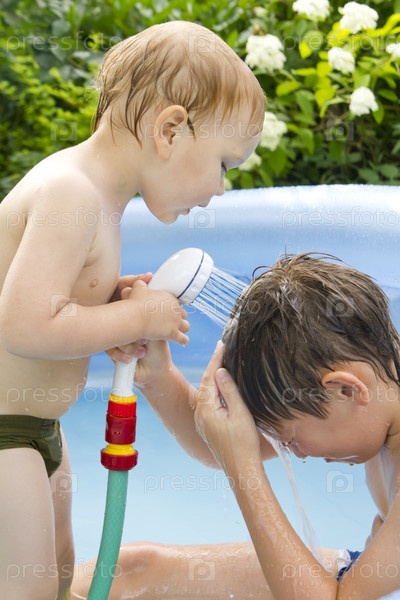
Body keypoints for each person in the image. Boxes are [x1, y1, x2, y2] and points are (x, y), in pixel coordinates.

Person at [0, 20, 264, 600]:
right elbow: (21, 324)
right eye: (224, 164)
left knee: (61, 570)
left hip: (36, 427)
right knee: (27, 586)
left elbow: (57, 301)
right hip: (6, 433)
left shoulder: (97, 197)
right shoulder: (72, 192)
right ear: (169, 130)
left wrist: (110, 299)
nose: (221, 189)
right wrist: (138, 319)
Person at [71, 253, 400, 600]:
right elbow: (218, 442)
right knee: (132, 572)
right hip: (357, 583)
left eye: (289, 440)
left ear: (346, 390)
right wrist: (156, 375)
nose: (297, 454)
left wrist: (243, 468)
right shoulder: (373, 397)